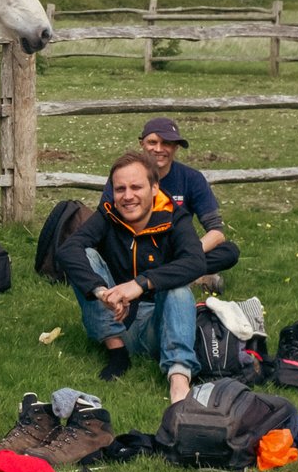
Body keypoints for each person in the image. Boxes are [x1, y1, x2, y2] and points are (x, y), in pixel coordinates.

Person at [60, 150, 202, 401]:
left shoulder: (175, 218)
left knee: (178, 288)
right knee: (88, 256)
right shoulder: (108, 215)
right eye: (120, 189)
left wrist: (140, 284)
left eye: (136, 187)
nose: (127, 196)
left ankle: (179, 379)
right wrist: (101, 291)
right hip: (115, 318)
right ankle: (117, 352)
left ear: (155, 188)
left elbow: (194, 262)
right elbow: (69, 249)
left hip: (158, 325)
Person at [99, 116, 238, 291]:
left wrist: (188, 255)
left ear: (176, 147)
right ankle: (186, 278)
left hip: (174, 250)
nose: (159, 149)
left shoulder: (192, 178)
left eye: (167, 143)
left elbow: (217, 233)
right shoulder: (124, 175)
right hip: (133, 249)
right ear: (142, 143)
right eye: (152, 142)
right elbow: (105, 220)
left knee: (229, 252)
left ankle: (168, 274)